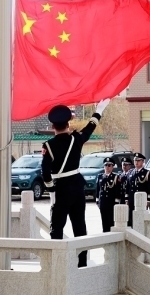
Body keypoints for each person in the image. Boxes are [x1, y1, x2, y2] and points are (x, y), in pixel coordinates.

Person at [42, 99, 109, 268]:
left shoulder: (48, 145)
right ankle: (82, 263)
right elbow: (90, 127)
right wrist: (99, 110)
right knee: (80, 226)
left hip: (61, 189)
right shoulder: (76, 139)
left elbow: (45, 173)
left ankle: (57, 264)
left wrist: (51, 189)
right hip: (77, 187)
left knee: (57, 227)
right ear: (68, 124)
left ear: (52, 126)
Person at [96, 157, 123, 233]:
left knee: (111, 221)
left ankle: (111, 234)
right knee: (104, 221)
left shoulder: (115, 177)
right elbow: (98, 189)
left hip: (111, 203)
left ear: (112, 167)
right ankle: (105, 234)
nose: (107, 167)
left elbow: (117, 191)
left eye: (109, 165)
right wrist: (97, 200)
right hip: (103, 202)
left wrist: (116, 202)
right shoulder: (100, 176)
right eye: (106, 165)